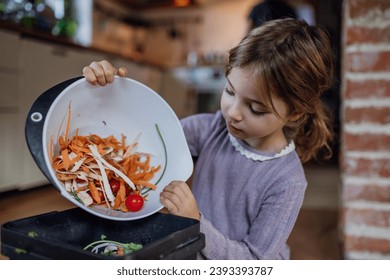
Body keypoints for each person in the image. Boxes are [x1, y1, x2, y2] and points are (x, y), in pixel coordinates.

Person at [82, 18, 334, 260]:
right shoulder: (211, 128)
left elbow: (255, 260)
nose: (233, 113)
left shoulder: (286, 181)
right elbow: (147, 137)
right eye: (230, 91)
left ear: (295, 112)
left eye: (256, 109)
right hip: (194, 252)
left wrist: (196, 222)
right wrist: (112, 92)